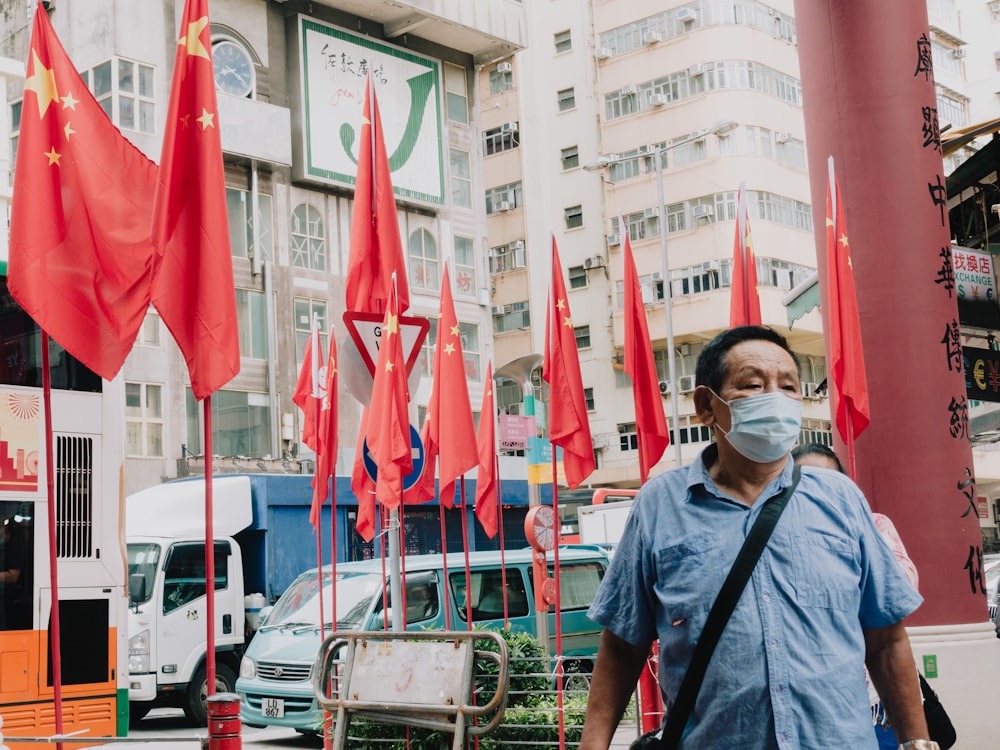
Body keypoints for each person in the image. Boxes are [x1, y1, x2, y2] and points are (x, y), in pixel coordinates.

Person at [580, 326, 934, 750]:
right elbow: (623, 644)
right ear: (707, 406)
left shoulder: (840, 500)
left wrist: (917, 743)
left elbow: (886, 640)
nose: (775, 397)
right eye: (753, 384)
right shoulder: (660, 505)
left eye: (788, 387)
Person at [792, 442, 921, 750]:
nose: (819, 492)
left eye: (830, 481)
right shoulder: (780, 538)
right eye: (806, 481)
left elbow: (902, 587)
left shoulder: (873, 525)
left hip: (876, 706)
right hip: (810, 709)